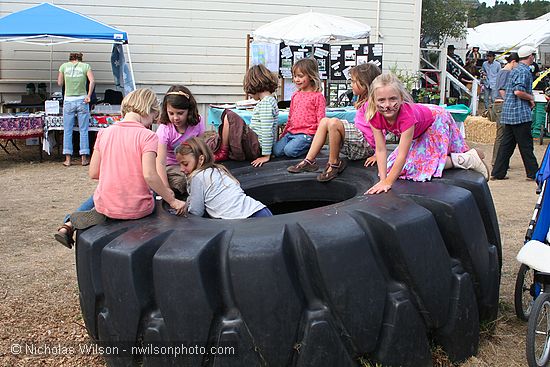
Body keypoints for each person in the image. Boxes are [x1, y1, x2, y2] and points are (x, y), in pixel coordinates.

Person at [54, 88, 186, 249]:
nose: (152, 121)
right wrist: (172, 200)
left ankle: (83, 217)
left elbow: (94, 172)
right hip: (138, 209)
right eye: (153, 116)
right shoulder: (148, 136)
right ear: (149, 110)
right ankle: (120, 208)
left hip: (107, 205)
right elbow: (150, 175)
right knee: (157, 193)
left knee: (103, 192)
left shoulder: (104, 133)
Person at [365, 73, 489, 195]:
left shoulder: (406, 117)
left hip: (435, 120)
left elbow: (403, 155)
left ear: (401, 98)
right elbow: (381, 150)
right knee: (392, 167)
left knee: (417, 166)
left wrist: (388, 182)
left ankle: (467, 159)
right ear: (373, 101)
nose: (387, 105)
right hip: (420, 126)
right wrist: (383, 179)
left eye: (393, 99)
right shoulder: (374, 117)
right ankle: (470, 155)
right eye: (381, 100)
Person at [287, 63, 382, 182]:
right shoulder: (363, 101)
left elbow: (380, 129)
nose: (351, 85)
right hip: (357, 144)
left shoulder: (373, 105)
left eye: (353, 82)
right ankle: (309, 161)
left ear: (365, 83)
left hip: (366, 147)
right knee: (324, 121)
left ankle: (334, 163)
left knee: (334, 123)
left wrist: (377, 154)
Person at [175, 138, 272, 218]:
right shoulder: (218, 170)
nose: (181, 169)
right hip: (260, 211)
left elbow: (196, 211)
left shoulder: (198, 177)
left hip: (244, 219)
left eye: (185, 164)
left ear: (201, 159)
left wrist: (185, 208)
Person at [214, 64, 279, 167]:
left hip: (257, 147)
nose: (250, 95)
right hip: (257, 145)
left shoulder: (266, 103)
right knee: (218, 137)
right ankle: (219, 148)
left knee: (230, 116)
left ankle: (223, 151)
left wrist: (266, 155)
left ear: (254, 86)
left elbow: (267, 131)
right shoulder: (269, 101)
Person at [491, 45, 539, 181]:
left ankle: (498, 172)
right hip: (520, 113)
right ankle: (533, 173)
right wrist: (531, 98)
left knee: (507, 144)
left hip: (509, 112)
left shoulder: (514, 69)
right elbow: (518, 91)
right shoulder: (524, 71)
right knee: (526, 144)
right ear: (530, 57)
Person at [156, 85, 205, 196]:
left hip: (192, 163)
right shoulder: (164, 129)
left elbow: (200, 149)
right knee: (184, 182)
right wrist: (166, 189)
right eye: (171, 113)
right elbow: (160, 162)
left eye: (180, 113)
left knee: (205, 178)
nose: (175, 118)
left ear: (189, 110)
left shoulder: (197, 122)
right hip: (171, 165)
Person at [273, 58, 325, 158]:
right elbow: (290, 117)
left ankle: (311, 147)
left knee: (289, 151)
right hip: (291, 133)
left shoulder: (317, 97)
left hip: (307, 134)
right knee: (276, 151)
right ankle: (296, 145)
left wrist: (318, 141)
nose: (296, 79)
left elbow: (321, 121)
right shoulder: (295, 95)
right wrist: (283, 134)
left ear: (310, 76)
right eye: (295, 76)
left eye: (300, 76)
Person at [57, 52, 95, 167]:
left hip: (68, 100)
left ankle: (68, 159)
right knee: (83, 130)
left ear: (70, 58)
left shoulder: (63, 66)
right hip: (82, 99)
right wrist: (89, 95)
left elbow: (59, 83)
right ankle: (83, 158)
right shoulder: (86, 66)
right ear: (80, 58)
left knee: (67, 130)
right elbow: (92, 81)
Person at [490, 52, 519, 167]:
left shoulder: (503, 71)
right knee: (502, 134)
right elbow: (502, 90)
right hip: (501, 104)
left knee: (503, 134)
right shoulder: (506, 72)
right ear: (513, 62)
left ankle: (498, 161)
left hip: (499, 104)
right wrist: (509, 101)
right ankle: (497, 161)